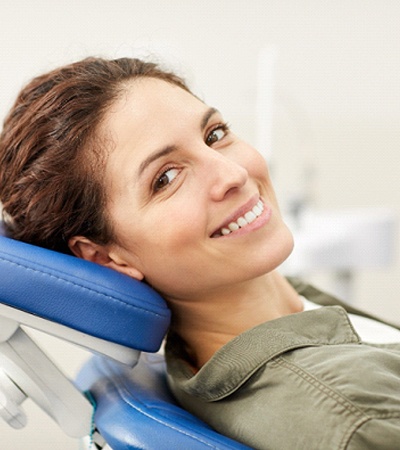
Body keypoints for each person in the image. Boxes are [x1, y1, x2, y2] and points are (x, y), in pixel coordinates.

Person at [0, 56, 399, 450]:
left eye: (214, 134)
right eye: (166, 178)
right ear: (106, 258)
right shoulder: (356, 418)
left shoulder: (258, 325)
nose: (234, 174)